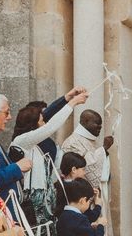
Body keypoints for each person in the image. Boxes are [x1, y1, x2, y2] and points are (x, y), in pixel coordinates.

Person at [10, 89, 88, 226]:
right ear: (33, 125)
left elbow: (47, 115)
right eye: (41, 121)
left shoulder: (32, 141)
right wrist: (73, 103)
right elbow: (51, 126)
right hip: (32, 205)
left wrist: (66, 98)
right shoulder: (22, 141)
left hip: (44, 202)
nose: (44, 122)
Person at [61, 110, 113, 235]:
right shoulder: (71, 142)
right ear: (85, 121)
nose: (100, 128)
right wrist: (103, 149)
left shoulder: (91, 140)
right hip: (81, 199)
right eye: (97, 125)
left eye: (101, 126)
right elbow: (83, 168)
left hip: (94, 196)